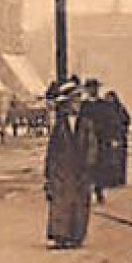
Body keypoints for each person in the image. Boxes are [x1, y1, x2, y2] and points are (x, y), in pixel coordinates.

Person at [44, 81, 97, 249]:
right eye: (74, 102)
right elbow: (52, 151)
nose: (77, 106)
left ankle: (76, 236)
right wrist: (49, 173)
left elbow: (92, 146)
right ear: (66, 105)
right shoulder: (60, 126)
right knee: (61, 201)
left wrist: (89, 164)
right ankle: (60, 236)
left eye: (78, 102)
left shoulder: (87, 124)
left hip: (81, 169)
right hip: (63, 169)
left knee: (79, 202)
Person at [79, 78, 120, 205]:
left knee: (100, 166)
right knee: (86, 167)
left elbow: (112, 121)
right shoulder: (83, 106)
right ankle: (86, 193)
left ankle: (99, 191)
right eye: (90, 88)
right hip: (86, 141)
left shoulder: (104, 105)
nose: (93, 90)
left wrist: (113, 137)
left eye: (95, 88)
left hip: (102, 140)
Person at [103, 90, 131, 189]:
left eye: (110, 98)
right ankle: (112, 180)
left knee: (120, 159)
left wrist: (123, 130)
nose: (109, 100)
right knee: (110, 160)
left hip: (120, 137)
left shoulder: (120, 109)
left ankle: (120, 179)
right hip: (110, 138)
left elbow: (127, 120)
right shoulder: (105, 110)